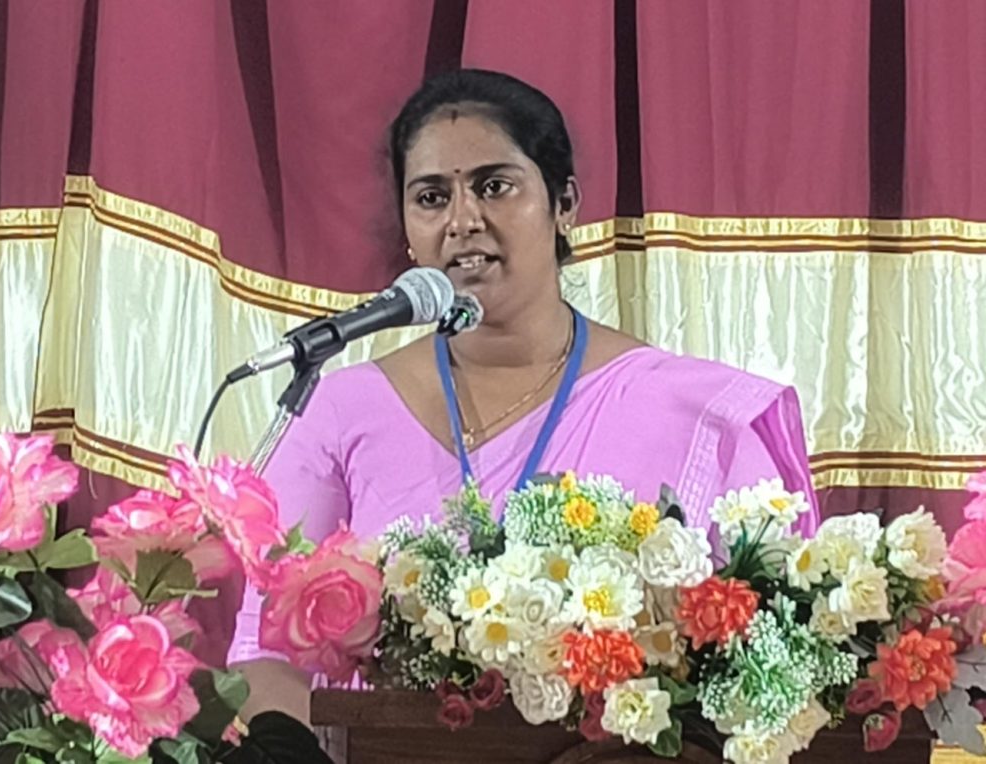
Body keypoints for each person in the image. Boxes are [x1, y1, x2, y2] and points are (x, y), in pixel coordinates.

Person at [224, 69, 818, 756]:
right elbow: (265, 653)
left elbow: (777, 659)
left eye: (494, 186)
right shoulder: (339, 409)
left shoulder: (697, 415)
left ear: (564, 204)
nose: (462, 220)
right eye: (432, 197)